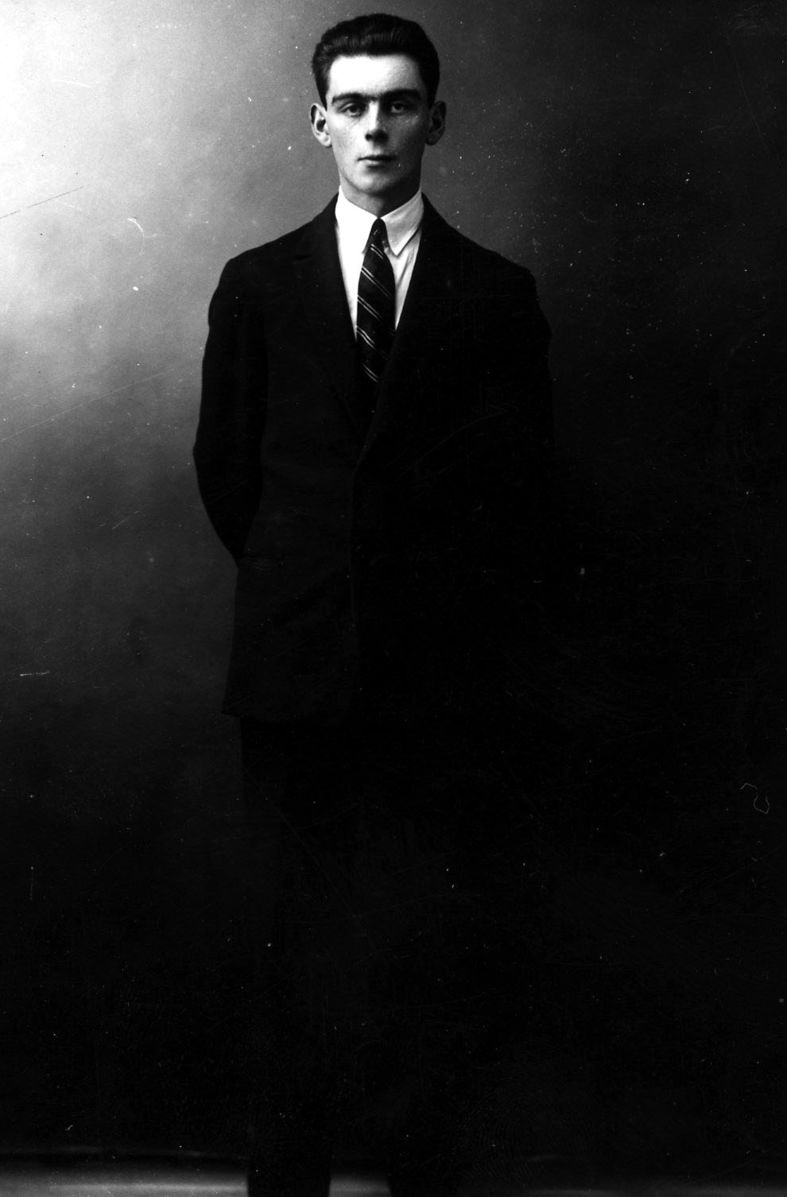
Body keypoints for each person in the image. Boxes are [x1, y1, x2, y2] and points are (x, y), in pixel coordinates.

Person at [194, 13, 553, 1196]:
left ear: (434, 120)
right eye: (351, 106)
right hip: (296, 669)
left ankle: (422, 1174)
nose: (375, 127)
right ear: (318, 123)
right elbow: (228, 473)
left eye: (398, 104)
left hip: (440, 681)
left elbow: (521, 492)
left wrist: (431, 614)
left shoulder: (496, 294)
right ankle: (287, 1180)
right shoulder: (256, 285)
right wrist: (312, 589)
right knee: (290, 939)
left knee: (427, 938)